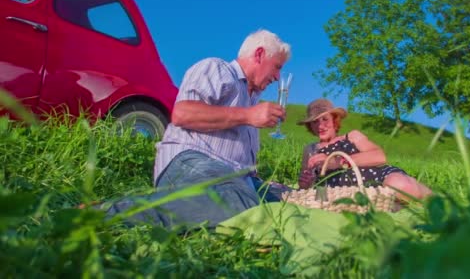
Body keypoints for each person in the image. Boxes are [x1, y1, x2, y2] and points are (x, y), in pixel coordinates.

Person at [104, 29, 292, 228]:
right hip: (190, 161)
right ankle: (108, 213)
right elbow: (183, 114)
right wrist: (248, 115)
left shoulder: (252, 99)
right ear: (259, 54)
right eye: (277, 67)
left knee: (288, 199)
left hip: (231, 178)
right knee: (238, 201)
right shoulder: (218, 69)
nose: (278, 77)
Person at [297, 98, 433, 201]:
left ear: (334, 120)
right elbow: (305, 185)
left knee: (399, 185)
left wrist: (337, 162)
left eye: (325, 119)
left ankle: (434, 198)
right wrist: (306, 183)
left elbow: (380, 157)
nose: (320, 126)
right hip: (346, 195)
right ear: (310, 126)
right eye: (315, 122)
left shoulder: (352, 136)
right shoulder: (310, 149)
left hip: (378, 179)